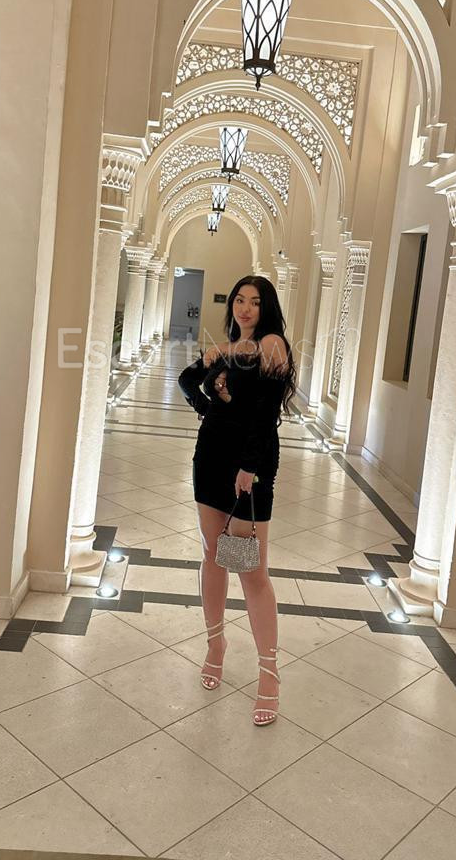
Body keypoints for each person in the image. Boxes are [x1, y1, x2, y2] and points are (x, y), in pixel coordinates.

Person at [178, 275, 296, 726]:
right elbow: (188, 380)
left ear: (267, 308)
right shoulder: (229, 346)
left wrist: (249, 466)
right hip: (210, 457)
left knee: (253, 571)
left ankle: (269, 672)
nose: (245, 308)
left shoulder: (272, 345)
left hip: (250, 467)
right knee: (212, 555)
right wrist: (211, 408)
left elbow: (266, 415)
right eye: (239, 300)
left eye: (255, 301)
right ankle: (216, 644)